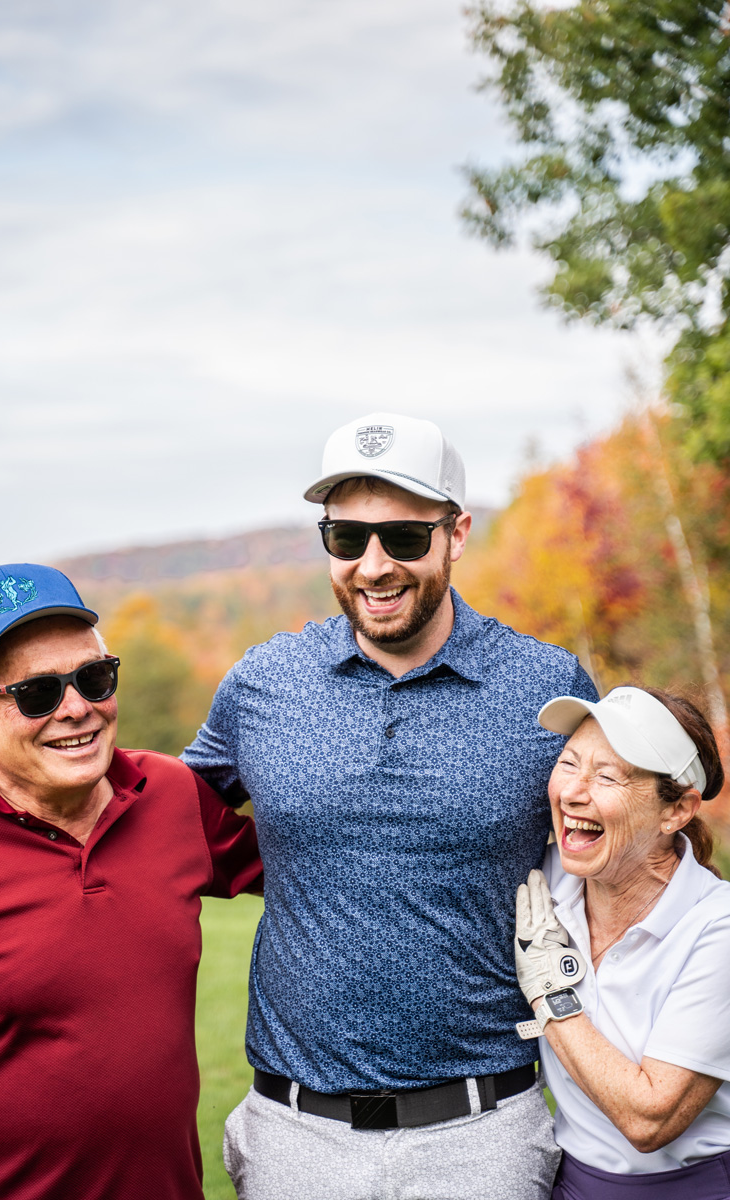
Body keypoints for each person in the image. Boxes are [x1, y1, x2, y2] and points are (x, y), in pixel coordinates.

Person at [182, 411, 599, 1200]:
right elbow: (160, 817)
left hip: (485, 1135)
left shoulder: (547, 687)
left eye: (403, 538)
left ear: (457, 533)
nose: (373, 566)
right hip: (295, 1139)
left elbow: (627, 847)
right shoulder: (263, 683)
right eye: (346, 539)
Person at [0, 562, 262, 1200]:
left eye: (93, 677)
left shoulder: (170, 796)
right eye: (37, 693)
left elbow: (325, 865)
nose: (76, 709)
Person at [514, 685, 730, 1199]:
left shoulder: (716, 928)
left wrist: (550, 995)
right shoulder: (547, 884)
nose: (572, 791)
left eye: (607, 776)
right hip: (570, 1184)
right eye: (569, 763)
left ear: (676, 811)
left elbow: (649, 1119)